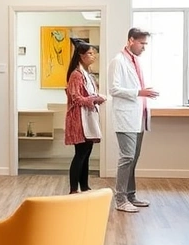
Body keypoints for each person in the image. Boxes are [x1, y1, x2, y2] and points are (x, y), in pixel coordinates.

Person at [109, 28, 158, 213]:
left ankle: (131, 195)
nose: (144, 47)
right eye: (142, 43)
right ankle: (120, 199)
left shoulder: (135, 62)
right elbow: (113, 89)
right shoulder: (118, 61)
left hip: (138, 116)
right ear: (131, 40)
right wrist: (139, 92)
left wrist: (142, 93)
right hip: (125, 117)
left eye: (145, 44)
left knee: (134, 158)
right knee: (127, 157)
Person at [64, 40, 105, 194]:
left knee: (86, 153)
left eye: (93, 53)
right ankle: (74, 189)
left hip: (88, 116)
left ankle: (85, 186)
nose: (93, 56)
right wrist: (93, 99)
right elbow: (75, 97)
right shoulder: (76, 74)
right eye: (89, 53)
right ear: (81, 56)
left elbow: (88, 95)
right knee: (80, 153)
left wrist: (96, 98)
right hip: (79, 119)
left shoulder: (88, 74)